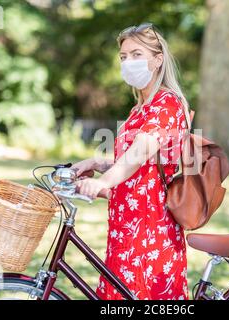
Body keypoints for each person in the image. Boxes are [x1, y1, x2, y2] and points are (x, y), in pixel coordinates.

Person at [73, 23, 192, 300]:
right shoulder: (139, 109)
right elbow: (133, 163)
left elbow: (139, 156)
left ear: (157, 60)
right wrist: (96, 163)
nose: (128, 62)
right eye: (124, 57)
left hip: (150, 230)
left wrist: (102, 181)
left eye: (137, 54)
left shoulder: (168, 104)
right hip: (125, 225)